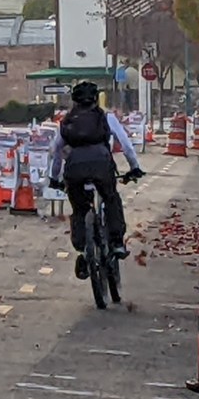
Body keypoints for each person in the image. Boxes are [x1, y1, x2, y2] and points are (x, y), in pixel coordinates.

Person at [47, 81, 144, 280]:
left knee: (80, 209)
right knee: (111, 199)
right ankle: (116, 242)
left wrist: (54, 177)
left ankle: (84, 251)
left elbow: (55, 152)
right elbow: (125, 144)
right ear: (96, 98)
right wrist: (134, 167)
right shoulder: (105, 117)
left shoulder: (67, 121)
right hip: (101, 164)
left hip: (74, 168)